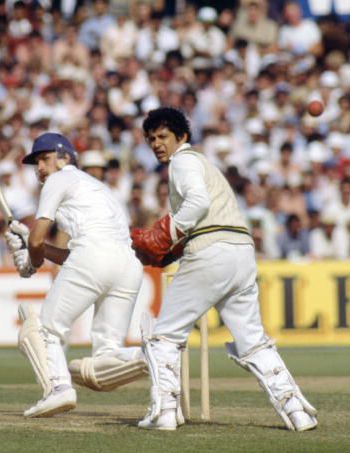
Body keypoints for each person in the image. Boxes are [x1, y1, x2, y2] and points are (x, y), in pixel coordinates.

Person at [131, 107, 317, 431]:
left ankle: (164, 414)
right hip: (241, 253)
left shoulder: (183, 161)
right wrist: (176, 240)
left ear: (182, 137)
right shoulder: (204, 164)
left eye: (162, 137)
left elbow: (197, 203)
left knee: (163, 338)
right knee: (253, 341)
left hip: (210, 250)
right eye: (151, 139)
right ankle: (296, 411)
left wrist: (167, 232)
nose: (157, 144)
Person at [5, 132, 146, 418]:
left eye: (44, 159)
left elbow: (38, 240)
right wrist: (39, 249)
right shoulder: (98, 188)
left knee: (45, 329)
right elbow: (71, 256)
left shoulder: (59, 179)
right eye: (36, 163)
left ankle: (59, 389)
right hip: (128, 266)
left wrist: (30, 260)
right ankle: (153, 357)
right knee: (107, 351)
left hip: (94, 257)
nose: (40, 168)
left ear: (65, 157)